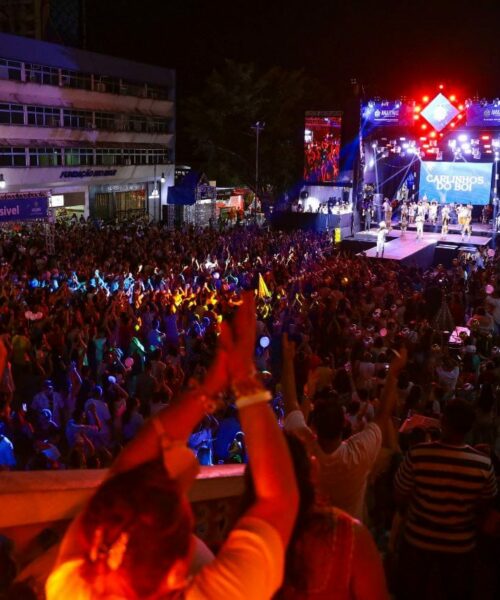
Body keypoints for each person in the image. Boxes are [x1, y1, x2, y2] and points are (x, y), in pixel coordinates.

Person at [46, 293, 299, 599]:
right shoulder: (70, 582)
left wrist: (215, 386)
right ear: (177, 573)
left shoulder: (75, 584)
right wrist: (236, 375)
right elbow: (280, 499)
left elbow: (125, 475)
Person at [283, 333, 407, 521]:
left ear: (314, 427)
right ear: (344, 425)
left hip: (309, 533)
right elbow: (382, 416)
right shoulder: (358, 454)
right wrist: (393, 374)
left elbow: (290, 401)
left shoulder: (304, 447)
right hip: (348, 536)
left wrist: (288, 360)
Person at [394, 399, 497, 600]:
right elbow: (485, 505)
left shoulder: (418, 454)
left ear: (443, 422)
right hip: (460, 547)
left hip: (417, 541)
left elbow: (399, 494)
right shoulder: (483, 464)